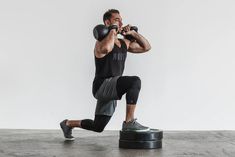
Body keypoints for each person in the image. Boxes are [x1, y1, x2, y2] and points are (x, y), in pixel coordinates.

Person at [60, 9, 151, 140]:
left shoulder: (124, 42)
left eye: (121, 20)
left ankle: (67, 124)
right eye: (116, 20)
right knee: (135, 81)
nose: (120, 23)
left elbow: (146, 47)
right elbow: (106, 49)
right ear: (107, 22)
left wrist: (133, 34)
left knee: (98, 126)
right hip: (102, 86)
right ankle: (129, 122)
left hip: (113, 86)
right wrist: (113, 30)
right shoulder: (100, 43)